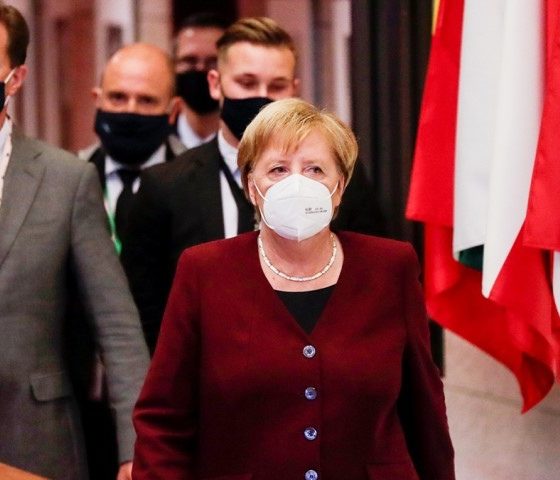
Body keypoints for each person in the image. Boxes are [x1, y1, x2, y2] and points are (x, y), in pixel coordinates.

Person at [132, 98, 455, 479]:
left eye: (315, 169)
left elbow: (424, 412)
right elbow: (164, 419)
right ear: (252, 187)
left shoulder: (390, 267)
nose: (297, 184)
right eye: (278, 169)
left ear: (340, 187)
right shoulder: (204, 271)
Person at [121, 17, 379, 354]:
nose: (261, 97)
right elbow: (145, 309)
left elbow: (369, 281)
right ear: (216, 84)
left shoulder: (335, 179)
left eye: (277, 86)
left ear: (294, 88)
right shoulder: (165, 187)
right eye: (247, 82)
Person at [0, 5, 149, 480]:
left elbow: (117, 327)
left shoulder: (65, 180)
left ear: (16, 77)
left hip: (34, 439)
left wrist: (136, 450)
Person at [82, 42, 185, 247]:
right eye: (118, 97)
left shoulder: (198, 182)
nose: (130, 110)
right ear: (97, 100)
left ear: (173, 111)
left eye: (146, 100)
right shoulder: (68, 181)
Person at [174, 11, 229, 148]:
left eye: (213, 61)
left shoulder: (250, 141)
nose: (200, 69)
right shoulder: (155, 141)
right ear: (174, 65)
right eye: (190, 60)